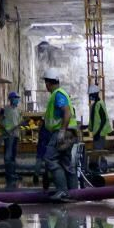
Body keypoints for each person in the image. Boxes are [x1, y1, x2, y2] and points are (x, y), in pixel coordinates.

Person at [38, 68, 74, 199]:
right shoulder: (60, 93)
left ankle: (62, 191)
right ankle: (74, 192)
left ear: (48, 83)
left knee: (50, 158)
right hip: (69, 132)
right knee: (66, 163)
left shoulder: (58, 94)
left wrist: (62, 131)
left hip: (62, 132)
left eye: (45, 83)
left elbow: (67, 112)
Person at [0, 91, 23, 188]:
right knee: (8, 157)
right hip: (8, 136)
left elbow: (18, 122)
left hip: (15, 135)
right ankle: (9, 176)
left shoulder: (17, 110)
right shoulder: (5, 109)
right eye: (15, 98)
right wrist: (5, 129)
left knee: (13, 156)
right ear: (11, 99)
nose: (17, 100)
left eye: (17, 98)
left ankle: (13, 174)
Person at [86, 85, 110, 151]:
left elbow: (104, 119)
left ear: (96, 94)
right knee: (98, 151)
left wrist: (98, 133)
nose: (90, 96)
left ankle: (102, 161)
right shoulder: (94, 104)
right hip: (96, 133)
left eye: (91, 94)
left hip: (100, 134)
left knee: (98, 151)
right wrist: (86, 127)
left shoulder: (100, 104)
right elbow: (94, 120)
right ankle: (101, 161)